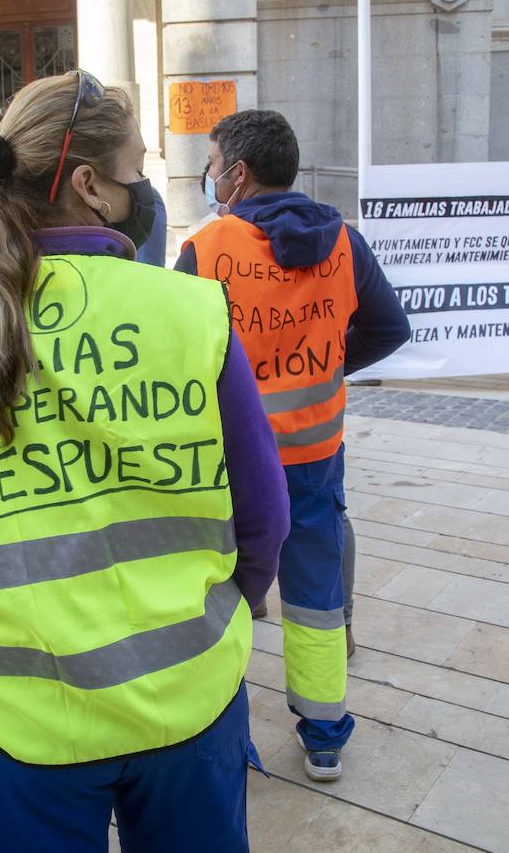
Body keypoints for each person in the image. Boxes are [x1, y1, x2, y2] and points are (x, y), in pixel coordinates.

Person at [0, 71, 292, 853]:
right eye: (136, 165)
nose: (146, 184)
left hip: (15, 718)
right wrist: (216, 620)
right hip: (189, 697)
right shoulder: (187, 308)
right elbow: (264, 519)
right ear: (89, 184)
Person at [177, 109, 409, 782]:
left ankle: (218, 729)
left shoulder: (210, 247)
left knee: (219, 593)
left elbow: (186, 354)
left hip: (231, 462)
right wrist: (329, 361)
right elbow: (390, 329)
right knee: (314, 596)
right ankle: (326, 736)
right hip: (313, 454)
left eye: (215, 163)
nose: (212, 175)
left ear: (239, 173)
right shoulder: (344, 242)